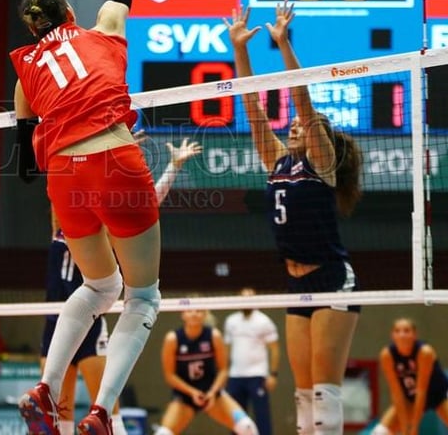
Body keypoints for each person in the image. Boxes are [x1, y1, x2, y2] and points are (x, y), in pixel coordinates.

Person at [9, 0, 164, 435]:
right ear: (69, 12)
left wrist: (35, 163)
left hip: (62, 174)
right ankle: (100, 412)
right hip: (112, 153)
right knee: (142, 295)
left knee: (99, 288)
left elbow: (24, 133)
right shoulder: (102, 27)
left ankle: (46, 389)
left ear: (32, 29)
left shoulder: (26, 68)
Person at [225, 2, 363, 435]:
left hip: (331, 279)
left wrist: (285, 44)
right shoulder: (278, 163)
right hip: (296, 281)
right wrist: (240, 51)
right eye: (295, 128)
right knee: (302, 394)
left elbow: (302, 102)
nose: (294, 129)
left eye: (303, 128)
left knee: (324, 393)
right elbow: (252, 108)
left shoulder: (321, 165)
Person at [41, 137, 202, 435]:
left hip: (89, 326)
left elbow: (147, 205)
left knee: (104, 410)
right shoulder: (64, 225)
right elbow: (61, 185)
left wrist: (172, 167)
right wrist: (99, 150)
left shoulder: (101, 231)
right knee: (57, 412)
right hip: (56, 321)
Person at [154, 305, 259, 435]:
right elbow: (170, 376)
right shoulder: (173, 339)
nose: (194, 314)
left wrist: (212, 392)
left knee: (247, 427)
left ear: (205, 314)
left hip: (212, 394)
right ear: (183, 314)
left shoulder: (214, 336)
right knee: (163, 433)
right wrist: (192, 392)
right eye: (189, 310)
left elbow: (223, 370)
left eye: (198, 311)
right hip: (185, 397)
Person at [373, 318, 448, 435]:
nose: (402, 335)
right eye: (397, 331)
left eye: (406, 331)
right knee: (380, 432)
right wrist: (405, 427)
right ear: (392, 335)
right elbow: (397, 393)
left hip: (440, 396)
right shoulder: (387, 355)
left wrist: (414, 427)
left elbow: (422, 390)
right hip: (410, 398)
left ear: (415, 335)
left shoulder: (425, 352)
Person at [223, 287, 281, 435]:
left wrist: (273, 374)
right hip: (235, 376)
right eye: (243, 298)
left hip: (257, 376)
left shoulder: (264, 321)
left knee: (262, 417)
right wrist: (224, 373)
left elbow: (274, 349)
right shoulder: (231, 321)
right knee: (235, 419)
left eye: (250, 298)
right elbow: (226, 349)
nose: (246, 302)